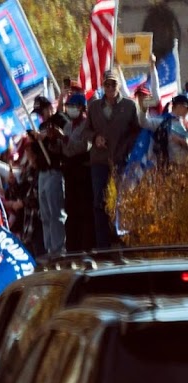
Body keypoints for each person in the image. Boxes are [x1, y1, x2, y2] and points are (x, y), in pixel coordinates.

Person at [86, 70, 140, 249]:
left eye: (113, 84)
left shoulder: (129, 106)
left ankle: (122, 242)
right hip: (99, 161)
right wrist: (95, 138)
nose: (109, 88)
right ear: (103, 86)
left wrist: (126, 147)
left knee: (121, 202)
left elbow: (136, 131)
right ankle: (103, 245)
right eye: (106, 84)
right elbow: (86, 131)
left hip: (120, 161)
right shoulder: (94, 107)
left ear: (118, 86)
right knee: (99, 203)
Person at [30, 97, 68, 259]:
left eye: (42, 111)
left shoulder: (60, 119)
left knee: (55, 212)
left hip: (54, 170)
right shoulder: (40, 126)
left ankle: (59, 249)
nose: (41, 116)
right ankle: (49, 247)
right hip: (43, 172)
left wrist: (45, 136)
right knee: (45, 213)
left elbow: (64, 136)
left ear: (49, 108)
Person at [60, 92, 94, 251]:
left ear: (81, 108)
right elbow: (64, 150)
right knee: (71, 210)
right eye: (69, 106)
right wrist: (57, 140)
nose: (71, 109)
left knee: (84, 211)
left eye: (74, 106)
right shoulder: (67, 126)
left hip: (83, 170)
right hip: (70, 171)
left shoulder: (87, 124)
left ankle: (86, 247)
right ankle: (72, 248)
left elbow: (85, 145)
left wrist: (67, 140)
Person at [136, 91, 188, 166]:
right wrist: (143, 110)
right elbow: (144, 123)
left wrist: (181, 141)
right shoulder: (162, 121)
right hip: (169, 166)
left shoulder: (185, 123)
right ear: (179, 106)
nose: (187, 111)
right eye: (186, 108)